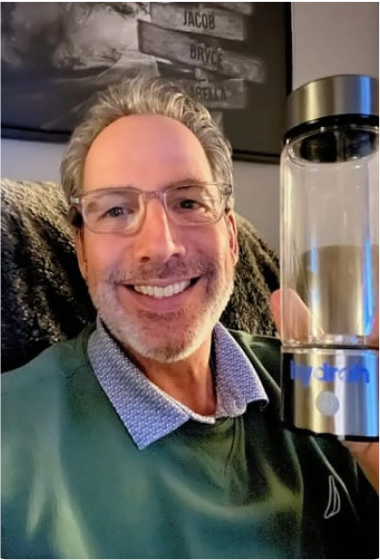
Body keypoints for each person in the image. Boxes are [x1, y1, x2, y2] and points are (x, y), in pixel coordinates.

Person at [0, 74, 379, 560]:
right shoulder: (11, 439)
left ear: (233, 239)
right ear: (82, 254)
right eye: (116, 210)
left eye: (188, 201)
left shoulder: (331, 393)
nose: (160, 245)